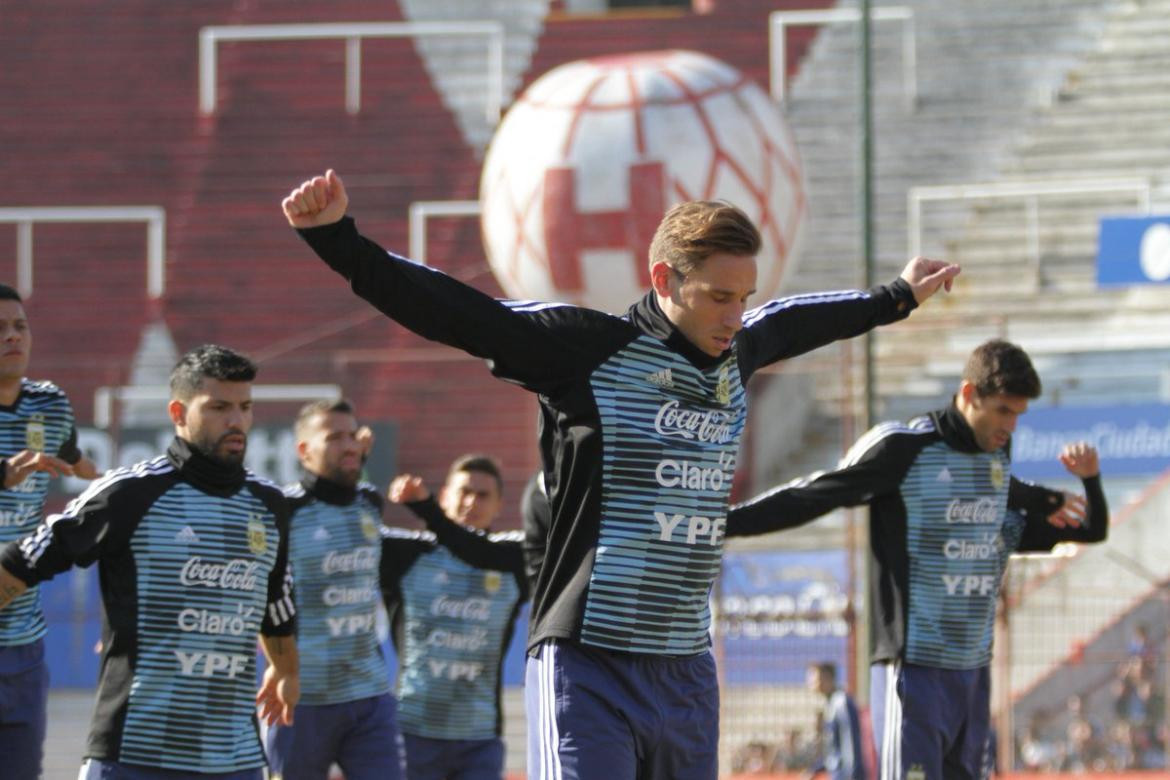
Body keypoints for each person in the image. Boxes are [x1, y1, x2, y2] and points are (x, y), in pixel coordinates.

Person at [282, 168, 959, 780]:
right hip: (589, 660)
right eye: (719, 296)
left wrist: (895, 297)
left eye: (744, 296)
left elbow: (794, 321)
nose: (736, 315)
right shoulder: (587, 352)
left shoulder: (736, 352)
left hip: (687, 667)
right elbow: (463, 315)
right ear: (664, 279)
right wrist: (339, 241)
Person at [727, 339, 1109, 780]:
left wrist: (1088, 482)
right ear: (969, 394)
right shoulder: (904, 449)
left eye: (1019, 414)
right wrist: (725, 523)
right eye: (1003, 410)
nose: (1011, 425)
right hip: (913, 669)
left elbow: (1080, 526)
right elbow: (815, 494)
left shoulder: (997, 459)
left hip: (972, 673)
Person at [0, 344, 299, 779]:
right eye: (218, 407)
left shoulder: (269, 505)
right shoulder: (129, 494)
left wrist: (285, 669)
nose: (236, 421)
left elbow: (276, 604)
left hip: (234, 760)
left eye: (245, 407)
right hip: (134, 756)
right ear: (178, 412)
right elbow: (23, 562)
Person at [265, 399, 403, 780]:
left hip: (370, 696)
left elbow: (351, 475)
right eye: (333, 437)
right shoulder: (282, 511)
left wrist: (355, 453)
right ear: (303, 451)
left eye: (352, 436)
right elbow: (261, 596)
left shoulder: (370, 503)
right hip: (301, 700)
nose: (348, 445)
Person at [0, 282, 99, 779]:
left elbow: (74, 459)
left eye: (19, 326)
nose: (12, 336)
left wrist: (107, 482)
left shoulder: (50, 405)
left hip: (22, 640)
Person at [385, 455, 527, 780]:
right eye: (464, 491)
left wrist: (427, 510)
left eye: (482, 495)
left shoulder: (513, 562)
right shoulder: (406, 555)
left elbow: (477, 549)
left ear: (500, 505)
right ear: (445, 494)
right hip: (411, 732)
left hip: (479, 740)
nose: (471, 502)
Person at [805, 662, 868, 780]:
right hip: (838, 774)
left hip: (848, 775)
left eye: (814, 677)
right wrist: (816, 769)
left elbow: (851, 742)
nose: (810, 682)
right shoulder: (830, 704)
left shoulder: (841, 702)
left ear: (827, 677)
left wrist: (852, 774)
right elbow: (833, 750)